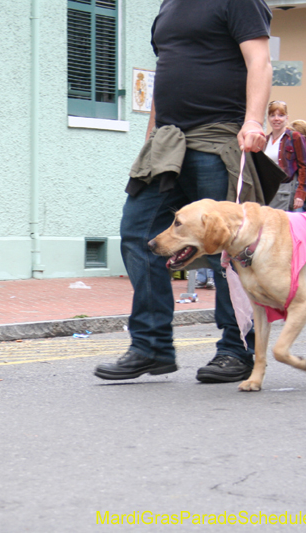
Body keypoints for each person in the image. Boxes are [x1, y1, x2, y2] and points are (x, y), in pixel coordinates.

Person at [94, 0, 273, 384]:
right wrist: (150, 140)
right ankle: (151, 347)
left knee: (227, 249)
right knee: (140, 235)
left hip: (217, 137)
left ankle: (236, 347)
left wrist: (254, 120)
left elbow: (260, 60)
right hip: (167, 141)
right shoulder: (168, 5)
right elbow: (166, 73)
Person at [263, 101, 306, 211]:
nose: (276, 119)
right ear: (268, 118)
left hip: (284, 190)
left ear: (287, 118)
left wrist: (300, 193)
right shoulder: (265, 140)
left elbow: (305, 167)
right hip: (266, 191)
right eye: (272, 115)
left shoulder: (295, 137)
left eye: (281, 115)